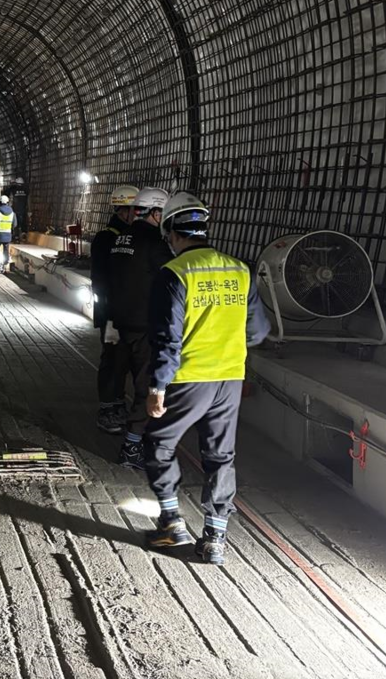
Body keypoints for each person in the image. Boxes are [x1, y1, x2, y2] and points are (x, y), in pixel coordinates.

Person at [141, 192, 270, 565]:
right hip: (229, 378)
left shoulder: (174, 273)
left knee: (159, 445)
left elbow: (168, 337)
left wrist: (157, 387)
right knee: (220, 456)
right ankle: (215, 537)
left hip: (187, 378)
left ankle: (171, 522)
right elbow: (258, 332)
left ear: (171, 233)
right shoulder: (239, 269)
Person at [105, 187, 173, 468]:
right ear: (156, 213)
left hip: (123, 323)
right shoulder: (155, 245)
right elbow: (172, 279)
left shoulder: (121, 240)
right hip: (146, 325)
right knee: (148, 388)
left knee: (129, 379)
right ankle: (132, 447)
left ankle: (139, 439)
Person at [88, 183, 140, 433]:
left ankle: (119, 404)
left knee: (127, 359)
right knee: (113, 358)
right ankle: (108, 408)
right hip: (112, 316)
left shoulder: (134, 238)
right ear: (123, 211)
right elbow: (100, 279)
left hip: (128, 314)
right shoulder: (106, 238)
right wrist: (110, 310)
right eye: (135, 210)